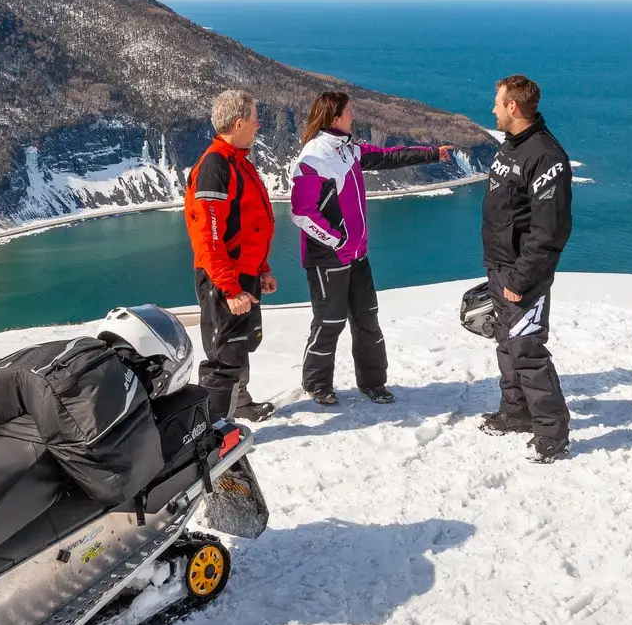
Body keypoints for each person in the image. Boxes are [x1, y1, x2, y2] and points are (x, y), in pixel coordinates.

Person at [289, 91, 452, 406]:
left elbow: (390, 156)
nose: (354, 116)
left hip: (357, 255)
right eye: (349, 111)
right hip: (328, 258)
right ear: (334, 117)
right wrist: (337, 240)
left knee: (367, 319)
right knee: (330, 322)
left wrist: (433, 153)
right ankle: (317, 384)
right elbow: (301, 213)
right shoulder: (313, 157)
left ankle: (373, 383)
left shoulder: (349, 150)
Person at [478, 74, 574, 463]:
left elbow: (549, 230)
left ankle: (552, 432)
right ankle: (515, 411)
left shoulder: (545, 156)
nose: (493, 109)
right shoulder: (512, 147)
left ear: (513, 107)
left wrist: (522, 277)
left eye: (498, 103)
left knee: (528, 349)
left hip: (522, 273)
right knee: (506, 342)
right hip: (500, 265)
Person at [184, 88, 278, 422]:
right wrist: (229, 287)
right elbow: (206, 237)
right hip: (225, 279)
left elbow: (249, 224)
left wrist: (262, 269)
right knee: (223, 358)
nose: (259, 125)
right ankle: (210, 432)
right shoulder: (215, 165)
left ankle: (239, 404)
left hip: (244, 274)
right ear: (239, 123)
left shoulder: (238, 161)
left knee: (239, 346)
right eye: (255, 119)